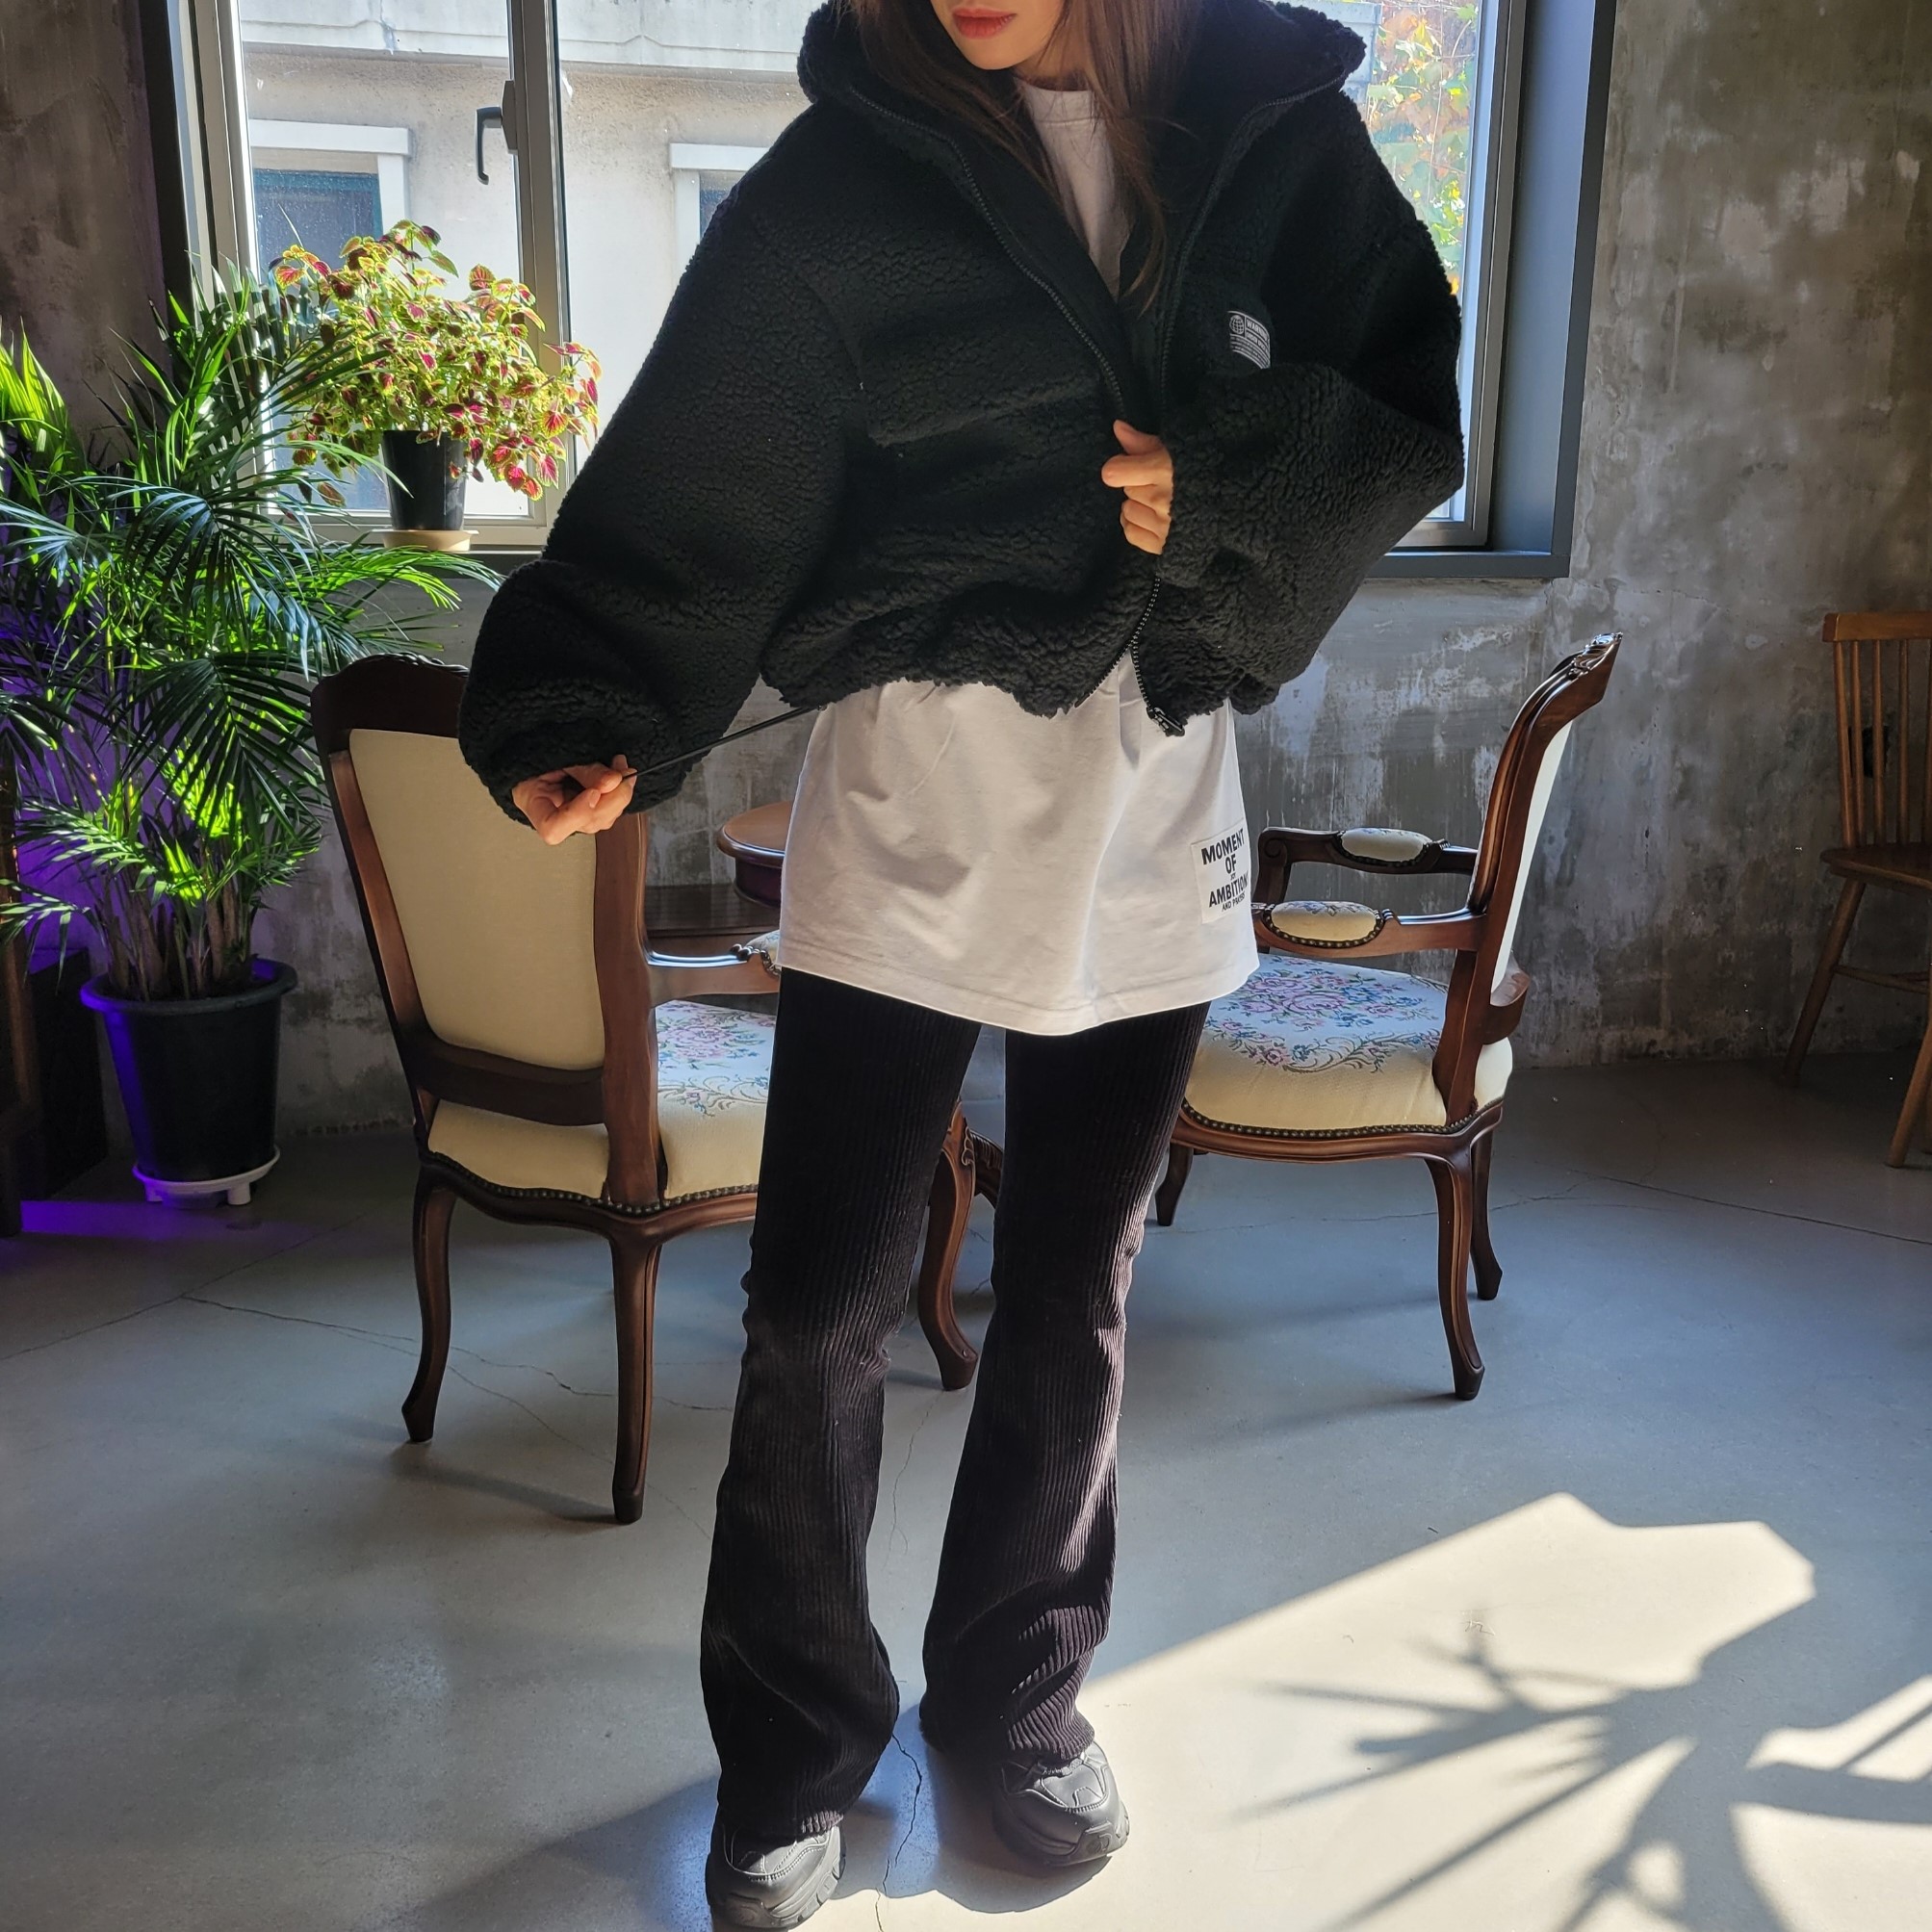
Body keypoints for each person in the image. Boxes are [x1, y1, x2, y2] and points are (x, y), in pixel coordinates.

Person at [458, 0, 1462, 1920]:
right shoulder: (848, 176)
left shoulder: (1275, 138)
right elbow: (705, 466)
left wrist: (1229, 487)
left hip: (1153, 807)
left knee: (1075, 1288)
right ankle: (791, 1747)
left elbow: (1399, 417)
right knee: (817, 1305)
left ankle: (1016, 1701)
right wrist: (592, 698)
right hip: (910, 803)